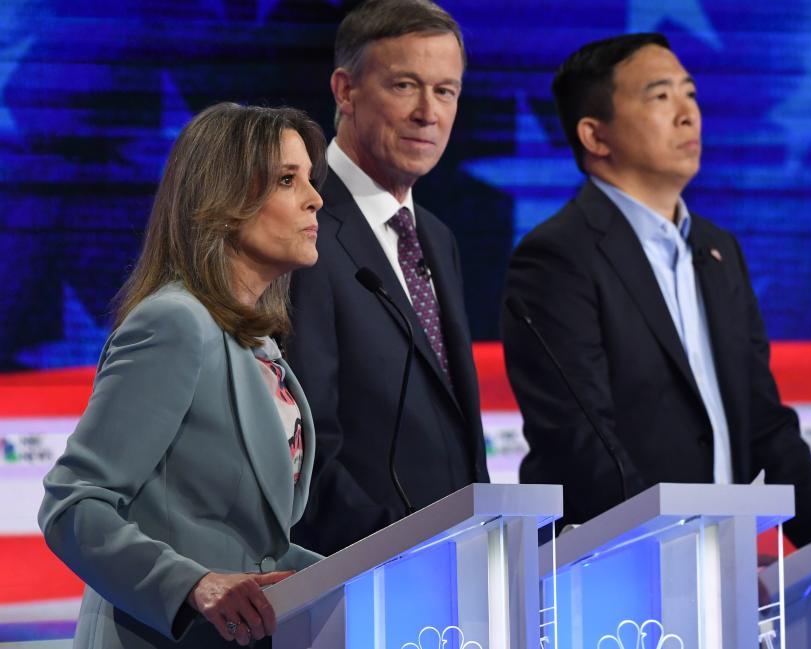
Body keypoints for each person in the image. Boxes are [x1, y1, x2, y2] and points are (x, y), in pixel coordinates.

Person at [500, 34, 811, 547]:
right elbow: (579, 442)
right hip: (612, 576)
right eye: (660, 97)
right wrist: (679, 553)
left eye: (690, 93)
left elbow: (764, 429)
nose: (688, 114)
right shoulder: (558, 256)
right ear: (596, 136)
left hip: (713, 568)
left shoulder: (718, 250)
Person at [38, 102, 327, 648]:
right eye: (288, 180)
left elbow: (252, 543)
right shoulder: (174, 323)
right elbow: (72, 503)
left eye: (310, 179)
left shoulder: (255, 344)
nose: (315, 198)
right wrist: (192, 584)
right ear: (224, 203)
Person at [288, 0, 489, 556]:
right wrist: (400, 554)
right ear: (345, 91)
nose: (429, 112)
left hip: (457, 578)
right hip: (363, 578)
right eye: (405, 85)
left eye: (446, 91)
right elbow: (304, 448)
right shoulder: (301, 225)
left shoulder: (437, 237)